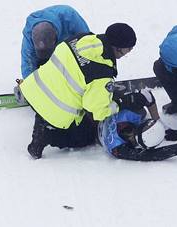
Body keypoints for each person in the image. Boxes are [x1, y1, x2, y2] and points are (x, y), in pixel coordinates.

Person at [18, 23, 137, 159]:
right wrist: (118, 104)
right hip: (54, 107)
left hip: (34, 89)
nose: (127, 53)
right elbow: (97, 111)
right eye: (128, 50)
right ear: (118, 48)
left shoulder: (82, 38)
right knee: (85, 136)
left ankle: (41, 117)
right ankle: (46, 137)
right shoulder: (102, 73)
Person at [98, 90, 177, 161]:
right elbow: (154, 155)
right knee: (141, 112)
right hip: (95, 119)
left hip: (95, 119)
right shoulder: (118, 147)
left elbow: (146, 94)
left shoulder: (118, 145)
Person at [20, 5, 90, 78]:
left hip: (70, 45)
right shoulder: (29, 40)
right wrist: (30, 84)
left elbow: (88, 42)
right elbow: (28, 65)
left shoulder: (70, 16)